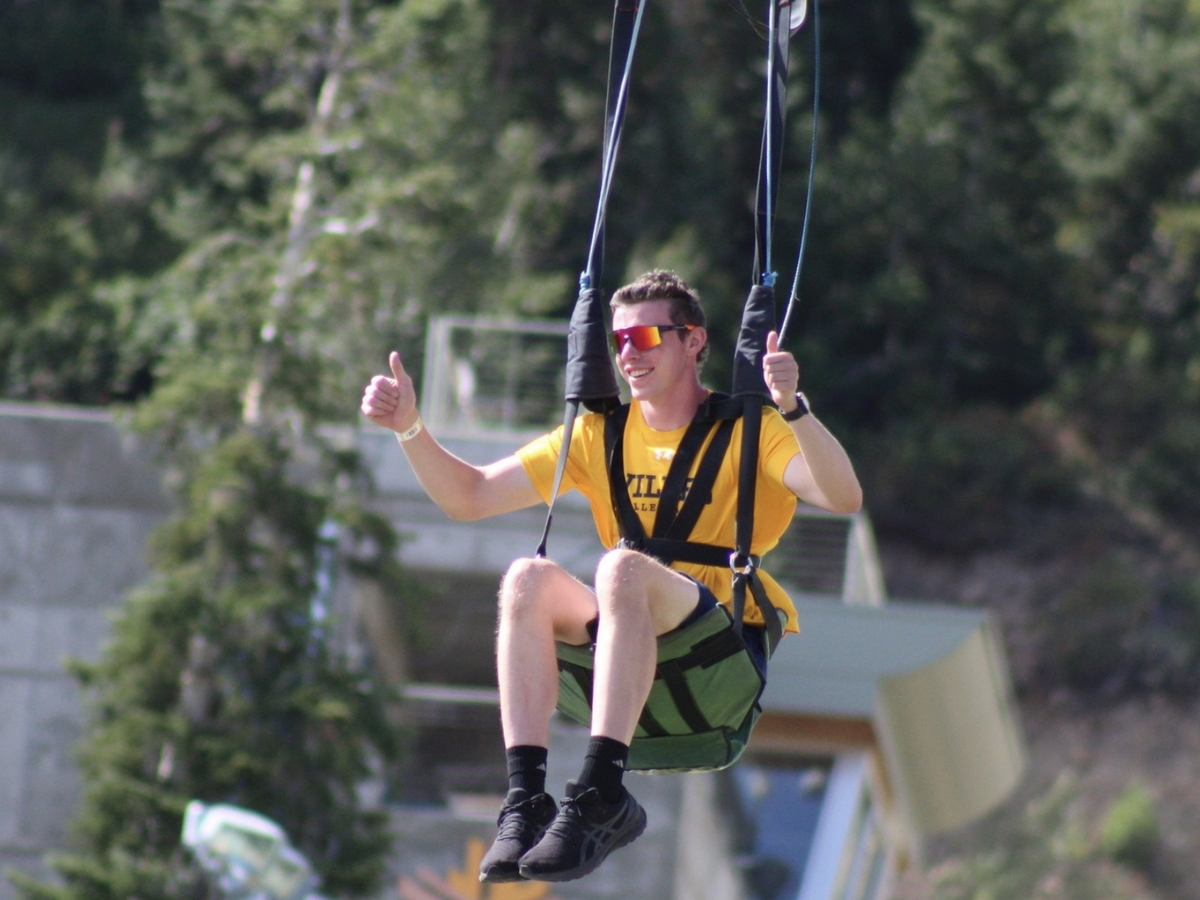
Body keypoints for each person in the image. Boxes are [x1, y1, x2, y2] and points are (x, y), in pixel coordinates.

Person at [360, 270, 862, 883]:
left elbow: (842, 496)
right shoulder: (599, 433)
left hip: (719, 649)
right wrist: (410, 427)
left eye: (648, 336)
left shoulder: (751, 432)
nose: (630, 352)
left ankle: (602, 791)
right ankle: (525, 800)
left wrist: (793, 408)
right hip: (627, 647)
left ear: (694, 341)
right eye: (619, 340)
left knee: (621, 567)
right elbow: (469, 496)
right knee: (525, 578)